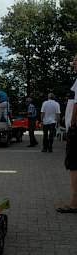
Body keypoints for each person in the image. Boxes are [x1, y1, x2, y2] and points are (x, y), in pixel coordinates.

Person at [56, 55, 77, 213]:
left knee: (74, 165)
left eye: (76, 60)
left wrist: (72, 123)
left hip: (75, 129)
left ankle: (74, 203)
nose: (73, 63)